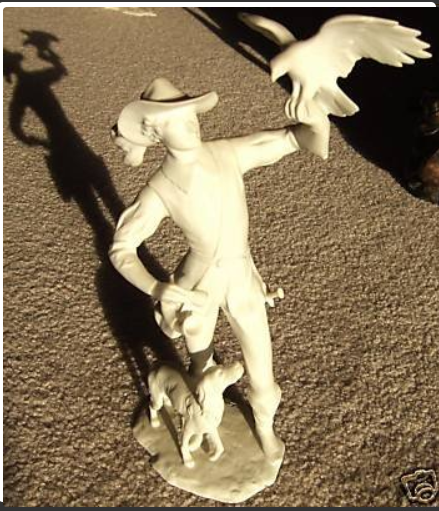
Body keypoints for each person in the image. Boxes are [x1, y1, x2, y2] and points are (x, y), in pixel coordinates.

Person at [109, 77, 323, 462]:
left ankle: (264, 426)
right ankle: (201, 420)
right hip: (198, 286)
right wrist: (156, 287)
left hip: (241, 276)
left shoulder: (226, 153)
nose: (191, 124)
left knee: (261, 366)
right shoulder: (160, 188)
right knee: (201, 363)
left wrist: (314, 119)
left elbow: (289, 140)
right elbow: (122, 248)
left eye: (191, 115)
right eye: (177, 120)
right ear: (156, 132)